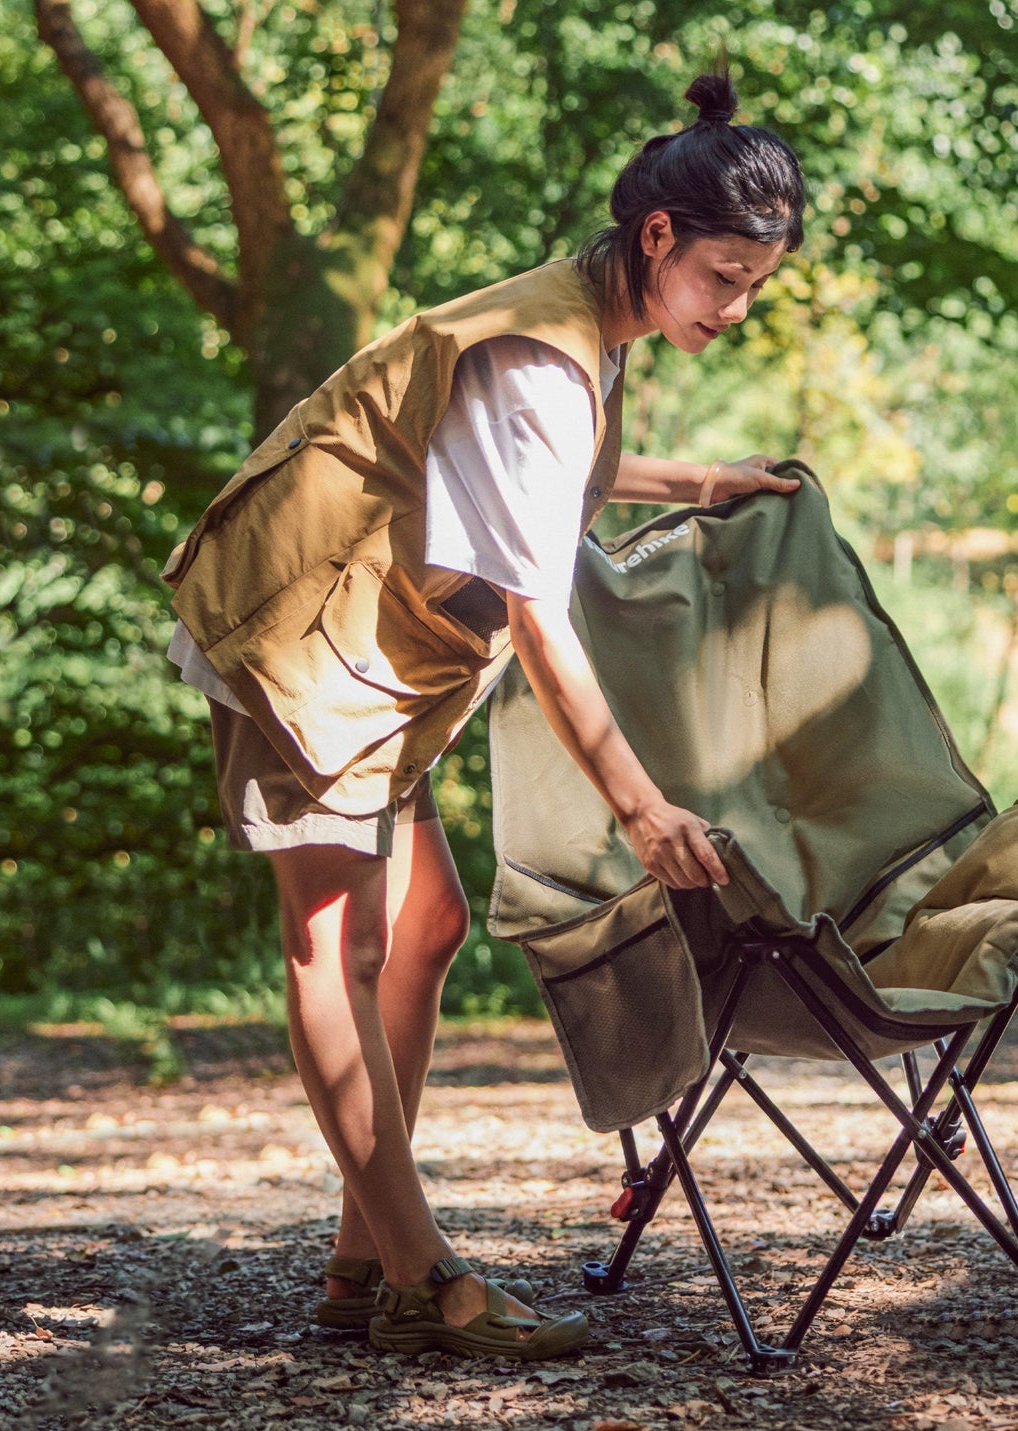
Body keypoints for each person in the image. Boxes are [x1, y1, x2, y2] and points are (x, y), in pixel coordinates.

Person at [162, 65, 807, 1361]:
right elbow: (539, 619)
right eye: (724, 277)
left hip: (370, 643)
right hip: (294, 627)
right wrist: (640, 805)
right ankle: (423, 1276)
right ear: (658, 238)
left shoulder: (585, 332)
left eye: (756, 285)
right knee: (333, 943)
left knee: (431, 922)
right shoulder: (542, 359)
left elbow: (548, 466)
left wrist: (699, 476)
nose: (736, 308)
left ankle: (364, 1256)